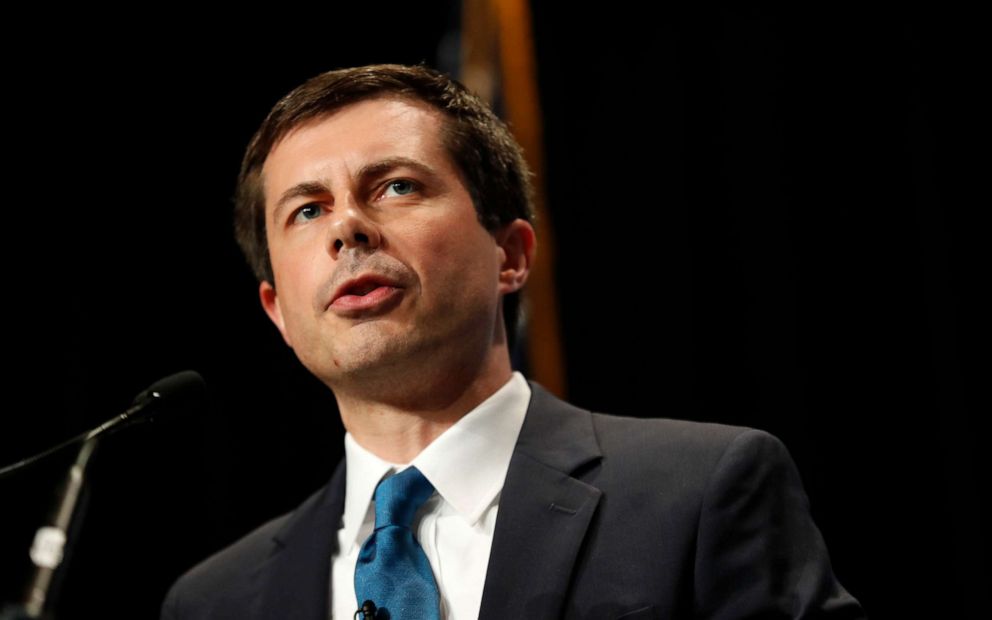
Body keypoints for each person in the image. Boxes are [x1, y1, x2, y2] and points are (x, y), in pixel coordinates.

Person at [161, 64, 865, 620]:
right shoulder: (217, 599)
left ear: (511, 255)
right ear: (277, 311)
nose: (348, 227)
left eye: (397, 186)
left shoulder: (701, 493)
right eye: (308, 210)